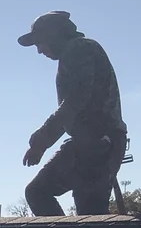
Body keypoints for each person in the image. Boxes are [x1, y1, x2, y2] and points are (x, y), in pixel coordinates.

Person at [18, 11, 127, 216]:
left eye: (39, 43)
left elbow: (75, 101)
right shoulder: (79, 50)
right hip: (94, 143)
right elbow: (74, 107)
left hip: (96, 145)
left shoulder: (78, 49)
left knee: (42, 194)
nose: (40, 51)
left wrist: (42, 140)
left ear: (53, 35)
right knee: (84, 212)